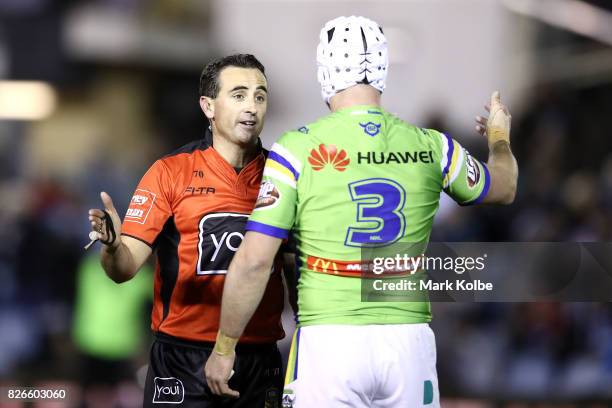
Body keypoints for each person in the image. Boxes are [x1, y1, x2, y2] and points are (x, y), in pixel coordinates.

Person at [204, 16, 518, 407]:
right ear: (383, 69)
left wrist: (224, 346)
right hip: (408, 342)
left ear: (325, 71)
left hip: (329, 340)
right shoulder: (434, 146)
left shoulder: (296, 150)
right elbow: (503, 188)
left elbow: (253, 262)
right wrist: (499, 137)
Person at [87, 54, 286, 407]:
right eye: (238, 95)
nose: (252, 107)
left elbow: (297, 269)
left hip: (259, 359)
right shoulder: (169, 173)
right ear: (208, 106)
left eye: (260, 96)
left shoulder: (283, 176)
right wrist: (114, 246)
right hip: (183, 360)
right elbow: (124, 269)